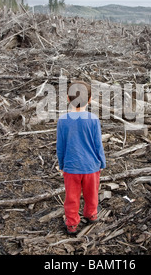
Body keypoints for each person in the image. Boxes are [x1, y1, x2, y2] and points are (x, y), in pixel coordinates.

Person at [56, 81, 106, 235]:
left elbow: (60, 146)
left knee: (71, 197)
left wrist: (62, 164)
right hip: (91, 167)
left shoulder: (63, 120)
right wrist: (102, 162)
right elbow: (98, 144)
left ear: (67, 98)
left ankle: (71, 224)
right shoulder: (93, 119)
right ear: (90, 99)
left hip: (71, 167)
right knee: (92, 193)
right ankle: (91, 214)